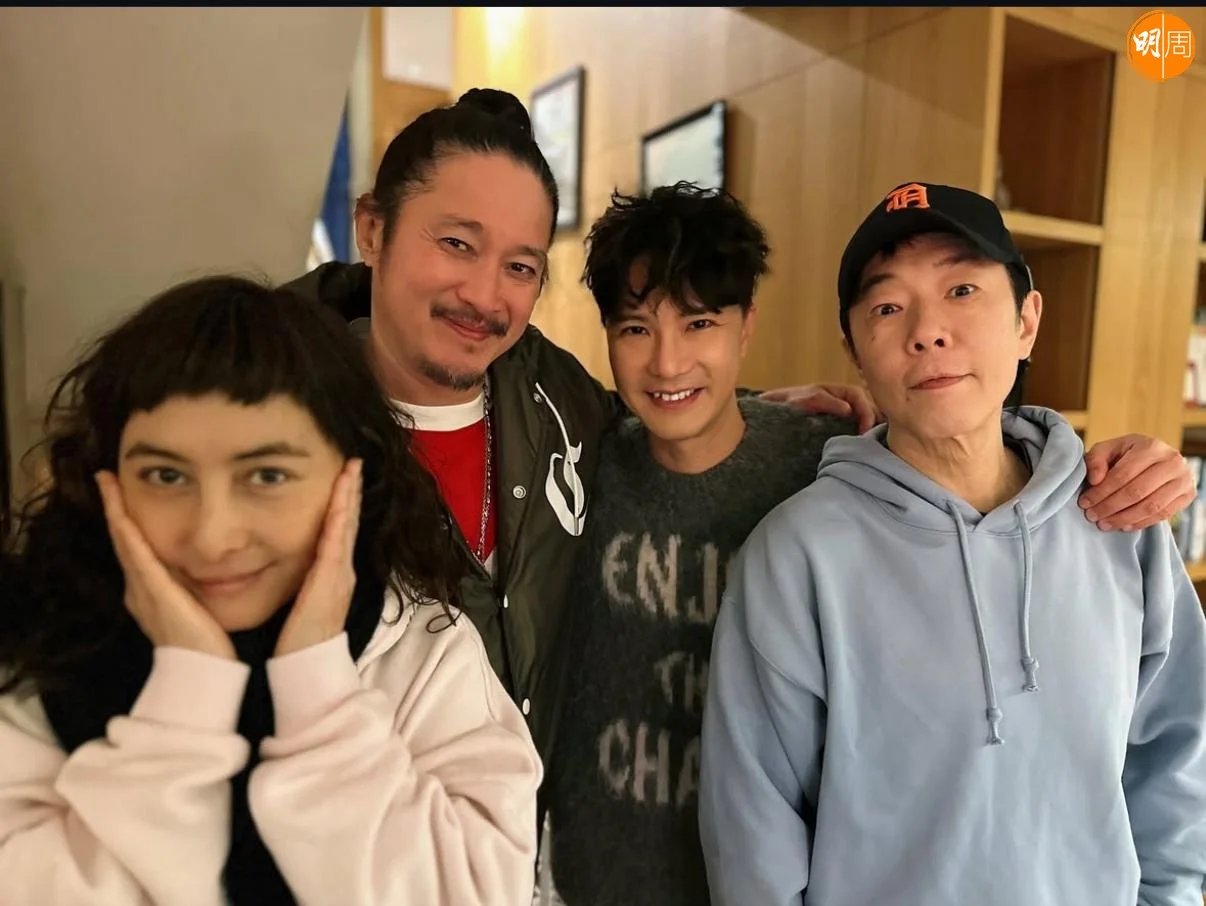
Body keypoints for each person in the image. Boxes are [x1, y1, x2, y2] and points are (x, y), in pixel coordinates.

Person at [283, 86, 1201, 812]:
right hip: (412, 835)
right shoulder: (298, 426)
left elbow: (1168, 751)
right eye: (455, 243)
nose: (487, 294)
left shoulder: (605, 413)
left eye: (520, 265)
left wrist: (1086, 467)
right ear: (371, 231)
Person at [698, 182, 1206, 906]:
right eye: (887, 307)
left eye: (962, 290)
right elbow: (754, 836)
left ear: (1027, 321)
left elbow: (1179, 762)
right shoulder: (798, 557)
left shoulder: (1119, 522)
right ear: (855, 353)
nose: (927, 331)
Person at [0, 276, 542, 906]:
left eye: (267, 475)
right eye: (166, 476)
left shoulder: (423, 657)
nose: (213, 537)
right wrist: (186, 696)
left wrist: (319, 697)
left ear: (350, 479)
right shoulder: (33, 663)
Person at [544, 182, 855, 906]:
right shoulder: (578, 470)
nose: (667, 363)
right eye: (635, 329)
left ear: (745, 329)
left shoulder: (825, 466)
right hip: (596, 882)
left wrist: (1082, 461)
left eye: (699, 323)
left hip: (773, 885)